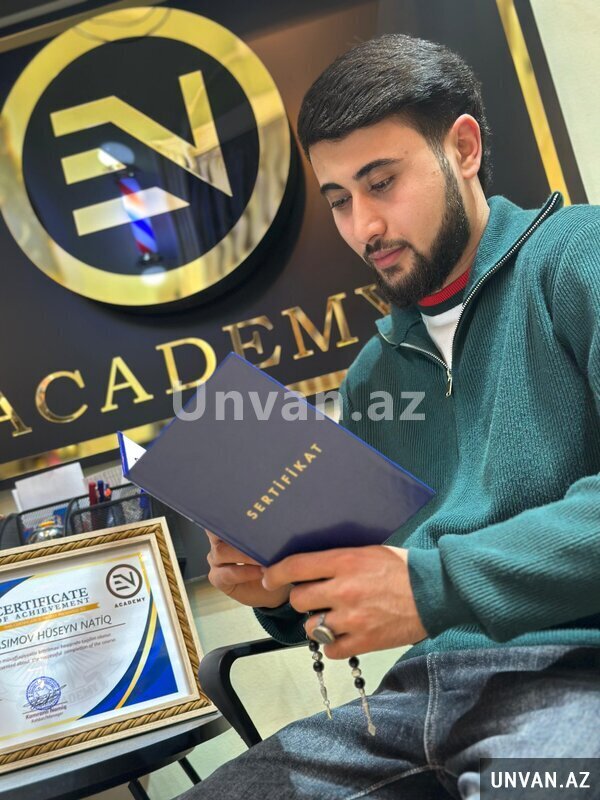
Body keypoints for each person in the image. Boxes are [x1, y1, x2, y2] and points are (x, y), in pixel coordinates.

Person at [181, 34, 600, 799]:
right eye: (340, 199)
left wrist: (434, 584)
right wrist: (276, 593)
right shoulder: (374, 372)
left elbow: (418, 585)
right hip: (409, 702)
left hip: (575, 676)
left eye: (382, 183)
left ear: (463, 149)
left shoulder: (582, 257)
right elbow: (361, 594)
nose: (363, 227)